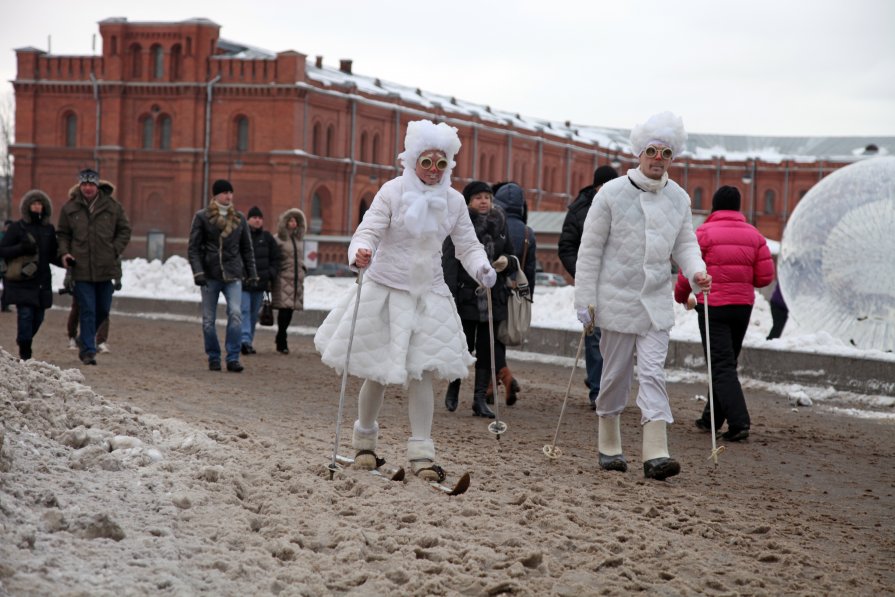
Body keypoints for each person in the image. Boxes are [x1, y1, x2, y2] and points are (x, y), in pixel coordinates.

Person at [314, 119, 496, 481]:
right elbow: (369, 230)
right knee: (378, 372)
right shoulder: (392, 192)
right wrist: (361, 250)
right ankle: (364, 443)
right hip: (385, 290)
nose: (432, 170)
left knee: (422, 373)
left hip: (428, 294)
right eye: (426, 162)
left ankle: (422, 454)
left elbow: (468, 245)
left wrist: (482, 268)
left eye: (440, 163)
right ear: (413, 160)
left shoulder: (454, 201)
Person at [574, 111, 711, 480]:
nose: (657, 159)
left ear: (672, 158)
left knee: (653, 373)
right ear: (639, 152)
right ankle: (609, 444)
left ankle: (656, 453)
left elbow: (685, 243)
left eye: (665, 153)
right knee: (616, 374)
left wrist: (695, 270)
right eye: (651, 150)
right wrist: (584, 301)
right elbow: (589, 250)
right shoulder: (612, 194)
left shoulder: (679, 199)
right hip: (616, 302)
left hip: (655, 304)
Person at [674, 185, 775, 442]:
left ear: (714, 206)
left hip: (713, 307)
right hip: (742, 307)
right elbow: (764, 277)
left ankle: (739, 422)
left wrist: (680, 295)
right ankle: (712, 418)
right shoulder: (755, 235)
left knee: (720, 366)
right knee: (725, 364)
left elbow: (689, 267)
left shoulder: (704, 233)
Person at [442, 180, 516, 417]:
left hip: (493, 299)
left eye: (487, 197)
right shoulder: (460, 225)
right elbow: (449, 262)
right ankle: (453, 388)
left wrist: (507, 262)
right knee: (463, 346)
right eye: (478, 197)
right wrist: (450, 295)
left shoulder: (500, 223)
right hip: (466, 296)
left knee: (487, 349)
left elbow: (511, 255)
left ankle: (478, 399)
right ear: (469, 202)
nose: (484, 201)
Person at [558, 165, 619, 410]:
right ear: (596, 187)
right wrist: (583, 274)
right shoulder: (579, 210)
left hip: (618, 285)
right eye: (605, 186)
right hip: (593, 285)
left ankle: (608, 386)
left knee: (617, 340)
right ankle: (598, 391)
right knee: (594, 339)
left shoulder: (625, 207)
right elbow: (566, 247)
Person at [57, 169, 132, 366]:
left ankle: (85, 338)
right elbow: (63, 234)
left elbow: (125, 230)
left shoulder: (113, 207)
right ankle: (89, 351)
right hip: (81, 268)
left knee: (103, 309)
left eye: (91, 185)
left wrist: (114, 249)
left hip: (106, 268)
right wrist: (65, 253)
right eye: (84, 185)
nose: (88, 188)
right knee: (88, 309)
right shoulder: (70, 208)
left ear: (97, 186)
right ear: (80, 186)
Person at [187, 179, 258, 372]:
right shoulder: (202, 216)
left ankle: (233, 357)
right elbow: (193, 248)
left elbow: (247, 249)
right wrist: (198, 272)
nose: (228, 196)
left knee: (235, 314)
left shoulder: (239, 218)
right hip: (209, 275)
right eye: (225, 192)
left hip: (233, 274)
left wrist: (252, 273)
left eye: (230, 192)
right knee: (209, 320)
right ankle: (214, 356)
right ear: (216, 195)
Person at [0, 190, 61, 359]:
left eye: (40, 204)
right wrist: (21, 248)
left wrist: (65, 261)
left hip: (42, 280)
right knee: (25, 315)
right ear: (27, 207)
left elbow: (52, 254)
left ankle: (24, 341)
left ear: (44, 208)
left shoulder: (48, 229)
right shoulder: (17, 228)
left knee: (38, 317)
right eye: (34, 204)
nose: (37, 207)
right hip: (22, 280)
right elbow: (3, 250)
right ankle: (25, 351)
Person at [492, 182, 537, 403]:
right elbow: (529, 271)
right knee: (500, 335)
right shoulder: (528, 232)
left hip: (493, 290)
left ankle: (502, 378)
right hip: (515, 294)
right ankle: (495, 383)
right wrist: (528, 298)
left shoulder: (495, 224)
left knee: (490, 338)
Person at [241, 206, 280, 355]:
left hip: (261, 285)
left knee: (252, 314)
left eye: (260, 217)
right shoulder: (242, 236)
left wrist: (270, 273)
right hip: (244, 283)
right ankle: (244, 340)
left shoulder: (267, 238)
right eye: (254, 217)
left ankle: (248, 342)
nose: (257, 220)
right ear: (248, 220)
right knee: (243, 311)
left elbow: (276, 258)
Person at [271, 207, 307, 354]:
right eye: (291, 220)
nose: (293, 223)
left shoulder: (298, 240)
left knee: (291, 310)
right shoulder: (278, 239)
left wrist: (303, 268)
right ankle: (282, 338)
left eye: (296, 221)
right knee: (284, 310)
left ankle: (281, 335)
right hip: (283, 278)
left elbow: (299, 259)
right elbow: (274, 258)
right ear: (285, 222)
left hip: (296, 279)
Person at [1, 219, 13, 312]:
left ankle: (5, 305)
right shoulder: (1, 236)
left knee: (7, 287)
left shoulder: (13, 237)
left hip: (7, 266)